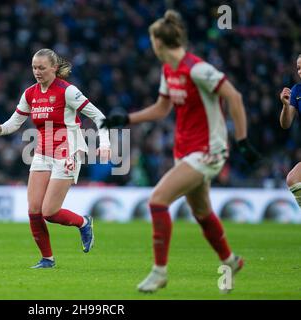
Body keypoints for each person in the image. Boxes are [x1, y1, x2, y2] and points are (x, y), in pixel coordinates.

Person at [102, 10, 261, 293]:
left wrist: (242, 140)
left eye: (152, 41)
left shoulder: (198, 69)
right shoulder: (169, 70)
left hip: (208, 150)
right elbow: (162, 109)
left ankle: (159, 272)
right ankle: (230, 260)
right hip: (184, 149)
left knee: (157, 200)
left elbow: (234, 97)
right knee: (201, 211)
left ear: (159, 42)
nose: (152, 46)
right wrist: (126, 119)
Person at [0, 48, 111, 268]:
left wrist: (105, 144)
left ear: (54, 68)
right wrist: (0, 129)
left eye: (42, 68)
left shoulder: (68, 91)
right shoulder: (30, 93)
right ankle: (47, 259)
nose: (37, 71)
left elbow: (98, 116)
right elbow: (14, 123)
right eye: (34, 67)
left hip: (68, 153)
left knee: (50, 212)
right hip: (42, 153)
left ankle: (83, 223)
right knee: (34, 210)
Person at [279, 54, 301, 208]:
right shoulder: (297, 91)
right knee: (293, 179)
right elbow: (285, 124)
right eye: (299, 68)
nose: (300, 71)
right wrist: (285, 106)